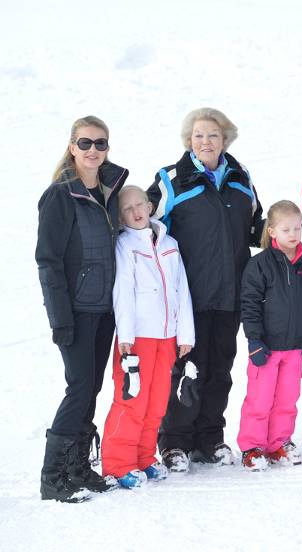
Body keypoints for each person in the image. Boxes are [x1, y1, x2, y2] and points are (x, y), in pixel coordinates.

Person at [147, 107, 263, 472]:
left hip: (230, 295)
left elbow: (254, 226)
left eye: (213, 135)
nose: (205, 141)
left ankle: (210, 438)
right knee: (186, 371)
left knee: (220, 369)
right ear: (188, 140)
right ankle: (175, 442)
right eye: (198, 135)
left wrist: (284, 234)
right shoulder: (170, 180)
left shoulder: (240, 176)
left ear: (224, 139)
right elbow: (144, 226)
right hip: (189, 297)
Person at [36, 116, 129, 502]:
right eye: (85, 143)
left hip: (104, 308)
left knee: (90, 386)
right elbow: (48, 261)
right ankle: (52, 476)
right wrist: (60, 319)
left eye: (100, 143)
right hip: (75, 309)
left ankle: (77, 466)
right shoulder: (60, 195)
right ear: (72, 146)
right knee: (78, 388)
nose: (93, 150)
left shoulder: (110, 192)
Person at [101, 185, 195, 488]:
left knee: (156, 402)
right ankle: (118, 464)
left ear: (150, 206)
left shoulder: (169, 243)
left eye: (139, 204)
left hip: (166, 337)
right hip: (137, 338)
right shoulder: (125, 246)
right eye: (127, 209)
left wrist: (185, 334)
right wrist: (125, 336)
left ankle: (143, 457)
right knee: (132, 400)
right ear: (120, 216)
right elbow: (123, 293)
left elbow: (182, 291)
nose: (136, 212)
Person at [238, 200, 302, 471]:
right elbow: (250, 304)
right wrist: (253, 339)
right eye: (286, 229)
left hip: (295, 348)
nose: (293, 235)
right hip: (266, 347)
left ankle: (279, 442)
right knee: (260, 399)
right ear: (272, 231)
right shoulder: (260, 264)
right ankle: (252, 447)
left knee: (288, 399)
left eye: (298, 228)